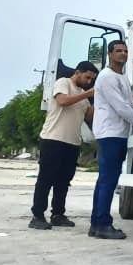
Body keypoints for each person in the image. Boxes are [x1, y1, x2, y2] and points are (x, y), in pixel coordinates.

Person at [90, 40, 133, 240]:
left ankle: (96, 224)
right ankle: (102, 224)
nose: (123, 54)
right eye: (118, 51)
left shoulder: (121, 77)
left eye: (125, 51)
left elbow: (127, 105)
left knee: (105, 180)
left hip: (117, 133)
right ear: (110, 54)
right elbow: (122, 107)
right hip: (110, 133)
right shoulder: (107, 77)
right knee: (108, 180)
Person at [28, 61, 98, 230]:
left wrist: (99, 101)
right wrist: (88, 94)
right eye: (87, 77)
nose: (89, 81)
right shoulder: (63, 83)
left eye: (92, 80)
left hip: (72, 143)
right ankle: (37, 215)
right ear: (78, 72)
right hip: (53, 139)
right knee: (46, 179)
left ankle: (58, 214)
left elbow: (89, 116)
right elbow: (62, 101)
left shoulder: (84, 96)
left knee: (64, 181)